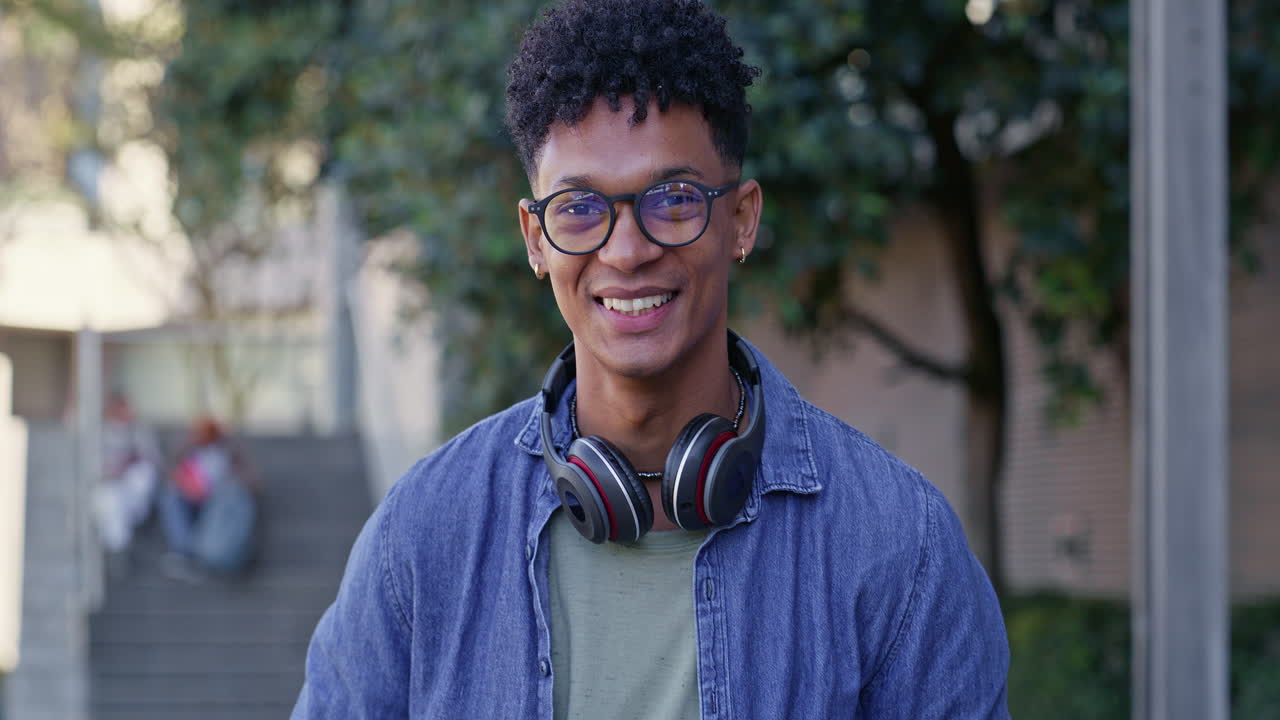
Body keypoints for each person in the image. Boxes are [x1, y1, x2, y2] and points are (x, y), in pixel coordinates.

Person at [294, 1, 1010, 717]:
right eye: (577, 208)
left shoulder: (897, 543)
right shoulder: (424, 533)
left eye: (673, 199)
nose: (627, 251)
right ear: (535, 239)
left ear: (742, 219)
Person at [159, 416, 257, 578]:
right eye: (200, 433)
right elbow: (170, 473)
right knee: (170, 495)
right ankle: (185, 551)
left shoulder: (229, 452)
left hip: (219, 504)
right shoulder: (190, 452)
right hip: (194, 501)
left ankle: (215, 551)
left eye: (208, 432)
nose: (204, 437)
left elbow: (252, 481)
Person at [93, 392, 161, 556]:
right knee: (108, 501)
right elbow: (93, 468)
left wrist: (130, 461)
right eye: (122, 407)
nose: (127, 411)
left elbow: (154, 462)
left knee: (141, 476)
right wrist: (112, 470)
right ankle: (116, 554)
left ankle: (119, 551)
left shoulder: (139, 430)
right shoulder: (99, 432)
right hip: (107, 486)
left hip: (132, 490)